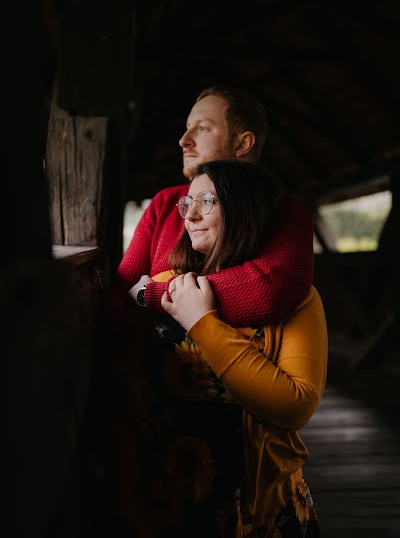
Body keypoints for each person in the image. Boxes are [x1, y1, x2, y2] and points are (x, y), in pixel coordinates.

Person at [139, 159, 327, 537]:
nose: (189, 215)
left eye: (206, 201)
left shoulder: (296, 300)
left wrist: (202, 323)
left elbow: (295, 404)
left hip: (263, 508)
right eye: (186, 204)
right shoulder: (164, 287)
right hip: (171, 500)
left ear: (243, 208)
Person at [115, 85, 314, 328]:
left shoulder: (286, 211)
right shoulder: (165, 204)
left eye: (203, 128)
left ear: (243, 144)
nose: (184, 141)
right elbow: (123, 292)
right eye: (187, 128)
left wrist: (151, 295)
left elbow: (266, 294)